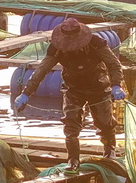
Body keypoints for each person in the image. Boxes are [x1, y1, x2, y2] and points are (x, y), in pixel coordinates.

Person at [15, 18, 125, 168]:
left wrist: (116, 85)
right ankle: (73, 159)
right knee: (71, 125)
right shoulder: (57, 48)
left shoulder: (96, 43)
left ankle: (109, 150)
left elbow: (114, 64)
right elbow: (42, 70)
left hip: (98, 87)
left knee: (104, 123)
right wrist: (26, 93)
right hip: (73, 88)